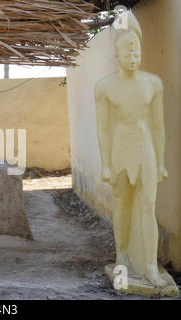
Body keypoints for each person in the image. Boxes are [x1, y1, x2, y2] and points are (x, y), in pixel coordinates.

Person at [94, 20, 168, 286]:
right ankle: (122, 256)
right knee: (122, 206)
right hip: (120, 152)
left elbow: (158, 126)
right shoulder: (104, 87)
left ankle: (150, 265)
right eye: (128, 54)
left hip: (145, 150)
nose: (134, 58)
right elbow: (103, 129)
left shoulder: (153, 83)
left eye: (137, 53)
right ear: (116, 57)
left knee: (148, 206)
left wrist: (160, 162)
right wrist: (105, 164)